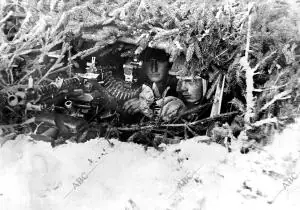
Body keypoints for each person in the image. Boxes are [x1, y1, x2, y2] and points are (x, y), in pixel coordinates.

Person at [123, 47, 185, 121]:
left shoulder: (181, 85)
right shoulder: (138, 85)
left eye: (160, 61)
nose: (154, 68)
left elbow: (176, 109)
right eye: (149, 61)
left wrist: (147, 106)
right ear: (143, 64)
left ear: (170, 63)